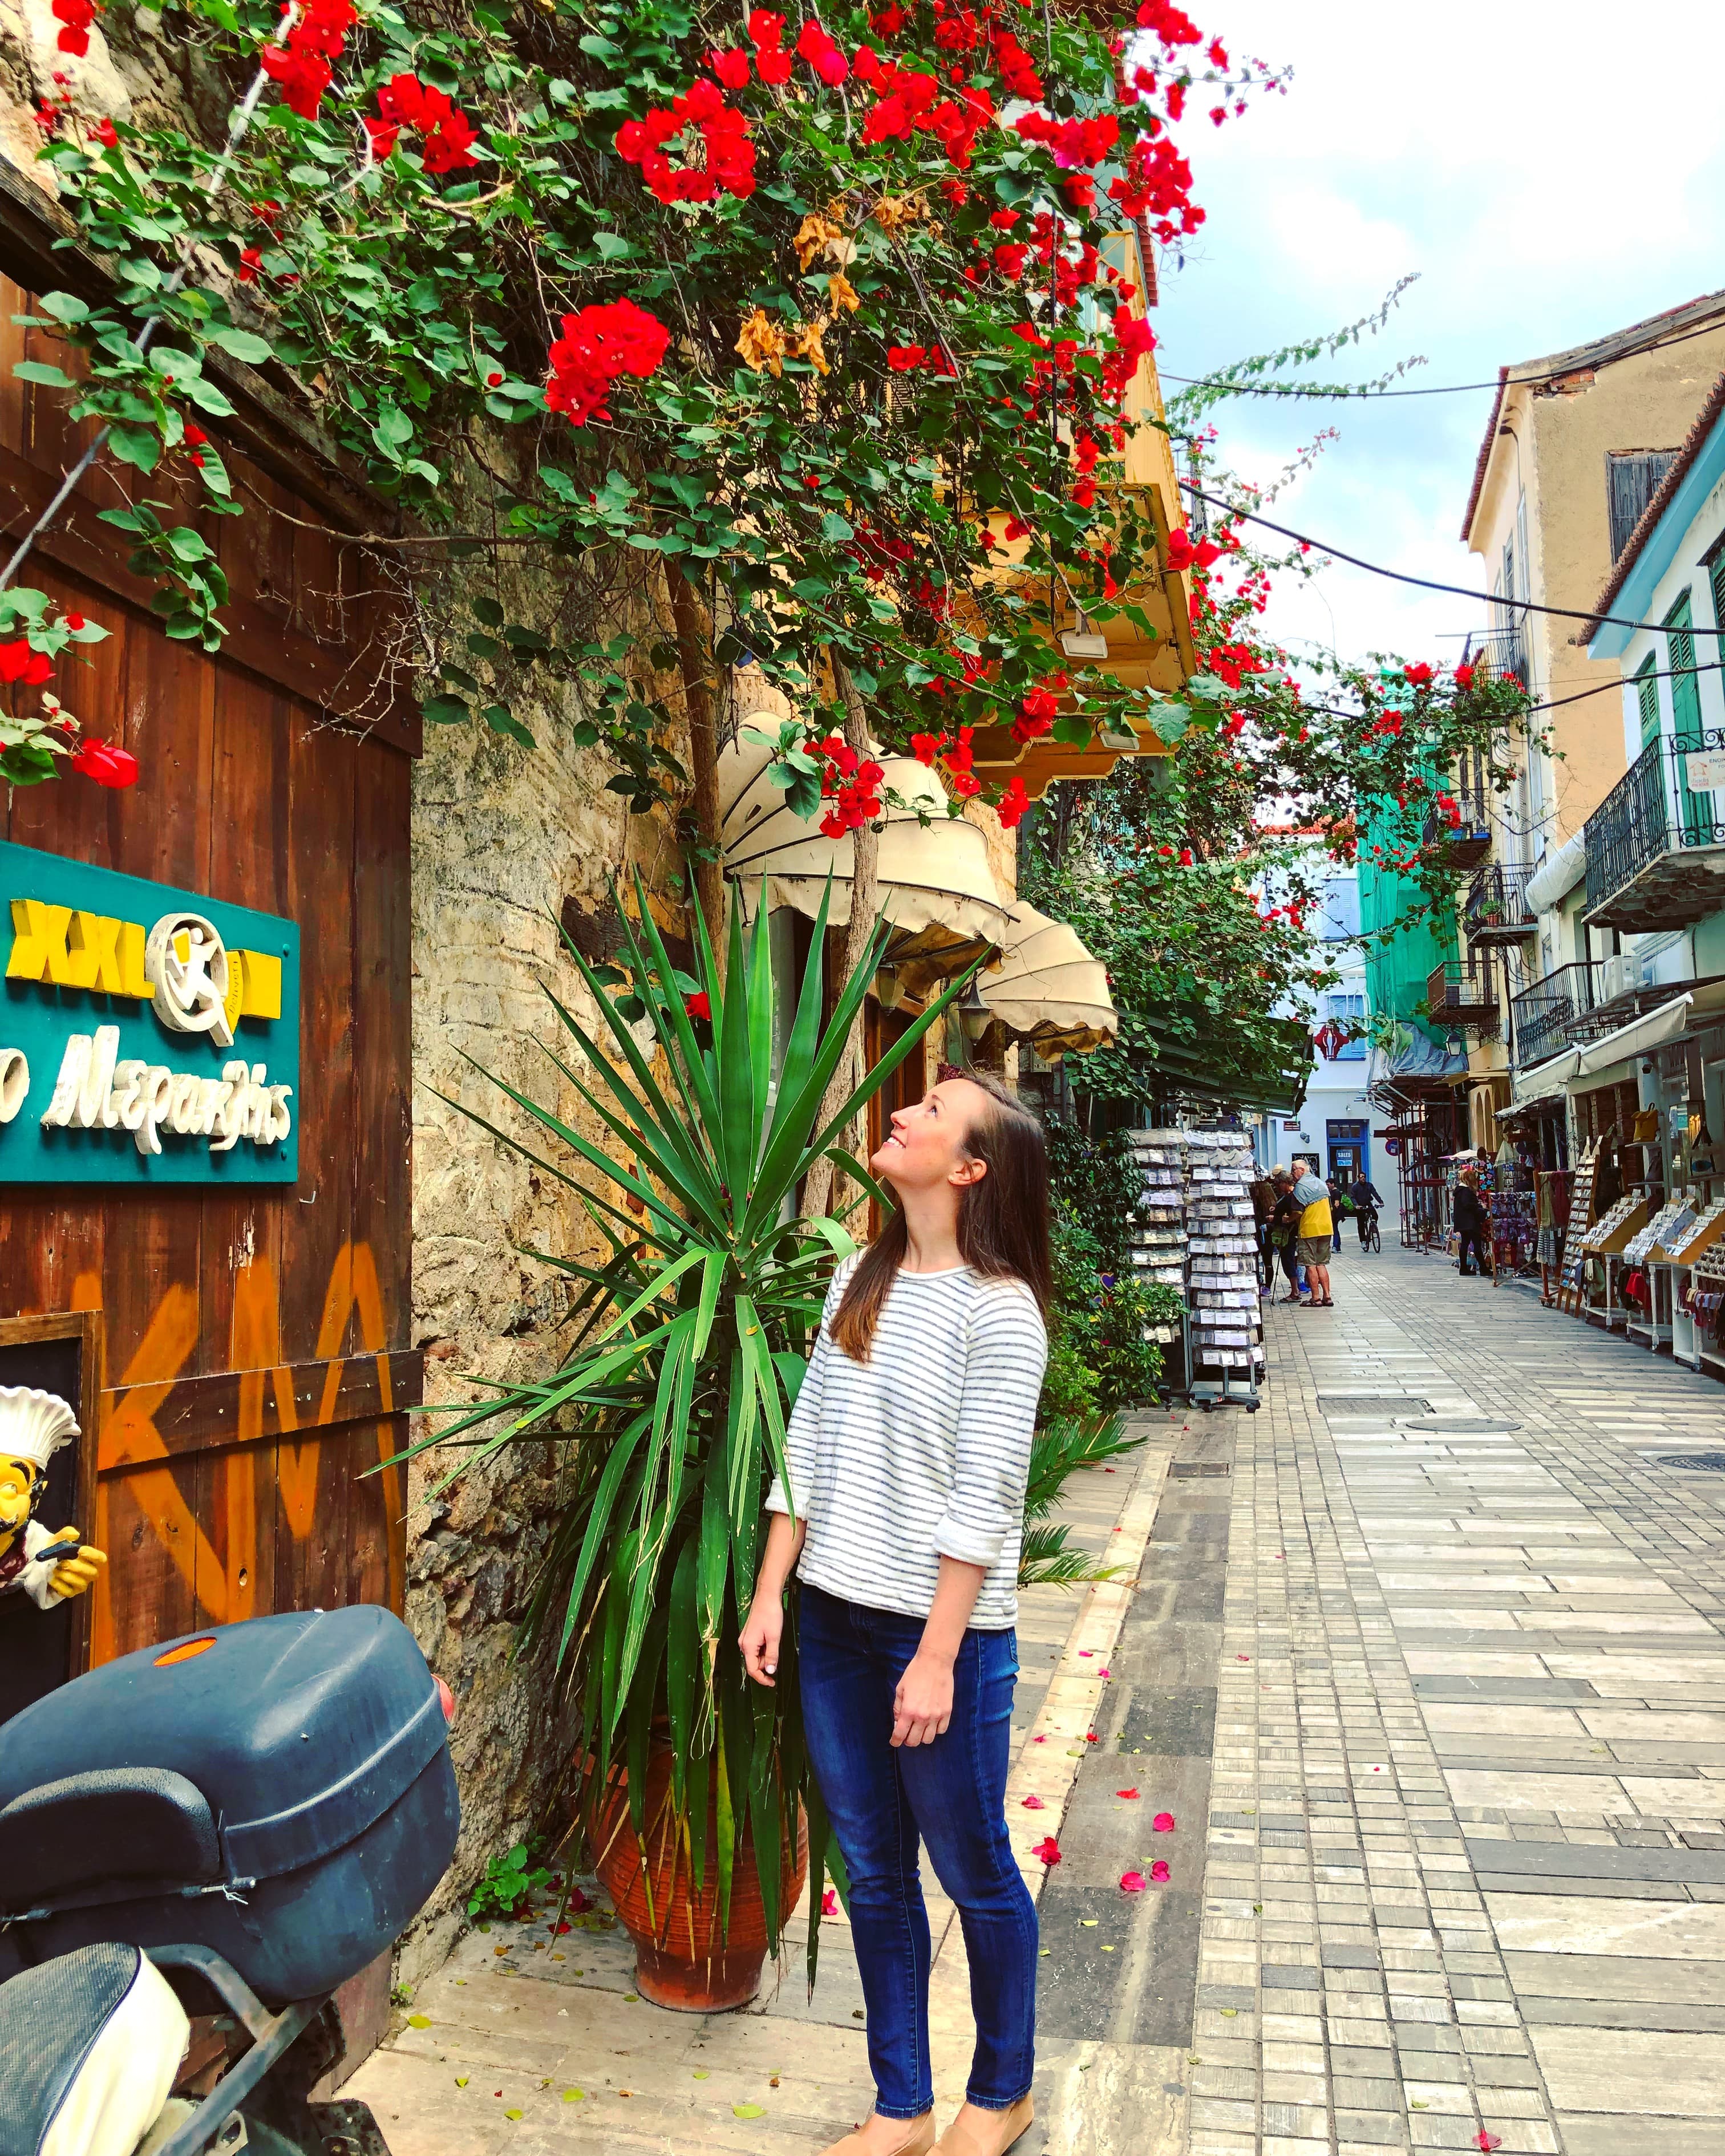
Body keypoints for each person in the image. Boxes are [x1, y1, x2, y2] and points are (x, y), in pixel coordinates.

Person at [740, 1073, 1051, 2156]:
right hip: (831, 1623)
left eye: (932, 1112)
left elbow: (984, 1498)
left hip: (941, 1644)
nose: (905, 1113)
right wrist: (772, 1589)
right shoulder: (854, 1277)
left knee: (972, 1872)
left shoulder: (999, 1311)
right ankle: (900, 2108)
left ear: (968, 1170)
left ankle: (1002, 2088)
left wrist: (933, 1658)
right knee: (871, 1872)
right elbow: (809, 1444)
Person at [1290, 1161, 1334, 1306]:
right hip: (1326, 1228)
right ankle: (1327, 1296)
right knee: (1322, 1264)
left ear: (1301, 1170)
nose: (1292, 1174)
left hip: (1310, 1229)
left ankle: (1315, 1298)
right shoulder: (1321, 1184)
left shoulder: (1300, 1187)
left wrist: (1286, 1220)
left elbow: (1297, 1212)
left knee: (1310, 1265)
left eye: (1293, 1170)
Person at [1269, 1168, 1304, 1302]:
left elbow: (1290, 1215)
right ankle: (1296, 1290)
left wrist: (1274, 1218)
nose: (1278, 1187)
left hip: (1288, 1233)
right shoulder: (1289, 1195)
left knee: (1288, 1261)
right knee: (1289, 1260)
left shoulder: (1292, 1197)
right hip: (1288, 1232)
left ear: (1284, 1182)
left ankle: (1295, 1292)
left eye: (1279, 1184)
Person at [1453, 1168, 1492, 1277]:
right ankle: (1482, 1269)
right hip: (1469, 1222)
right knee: (1476, 1245)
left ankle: (1465, 1268)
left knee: (1466, 1244)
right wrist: (1480, 1207)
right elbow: (1468, 1205)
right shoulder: (1466, 1191)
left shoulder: (1460, 1191)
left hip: (1464, 1223)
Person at [1249, 1168, 1277, 1288]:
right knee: (1266, 1260)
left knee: (1266, 1260)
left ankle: (1266, 1285)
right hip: (1262, 1233)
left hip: (1265, 1234)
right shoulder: (1267, 1202)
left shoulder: (1265, 1205)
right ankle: (1264, 1284)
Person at [1351, 1174, 1385, 1246]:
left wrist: (1381, 1202)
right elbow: (1353, 1197)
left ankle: (1373, 1227)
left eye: (1364, 1177)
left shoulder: (1369, 1185)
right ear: (1358, 1178)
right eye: (1361, 1177)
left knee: (1375, 1215)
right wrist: (1356, 1205)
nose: (1363, 1178)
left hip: (1368, 1203)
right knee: (1361, 1224)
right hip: (1360, 1206)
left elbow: (1375, 1194)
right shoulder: (1355, 1187)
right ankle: (1363, 1241)